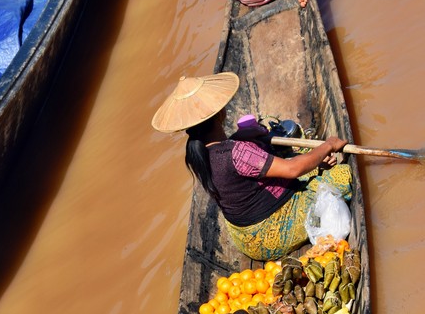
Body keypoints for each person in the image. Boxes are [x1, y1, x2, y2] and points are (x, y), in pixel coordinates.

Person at [151, 72, 353, 261]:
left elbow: (229, 163)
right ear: (220, 113)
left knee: (302, 158)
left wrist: (240, 137)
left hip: (243, 236)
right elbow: (292, 170)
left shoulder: (197, 153)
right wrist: (328, 146)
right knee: (343, 175)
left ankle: (314, 164)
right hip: (269, 233)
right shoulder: (236, 152)